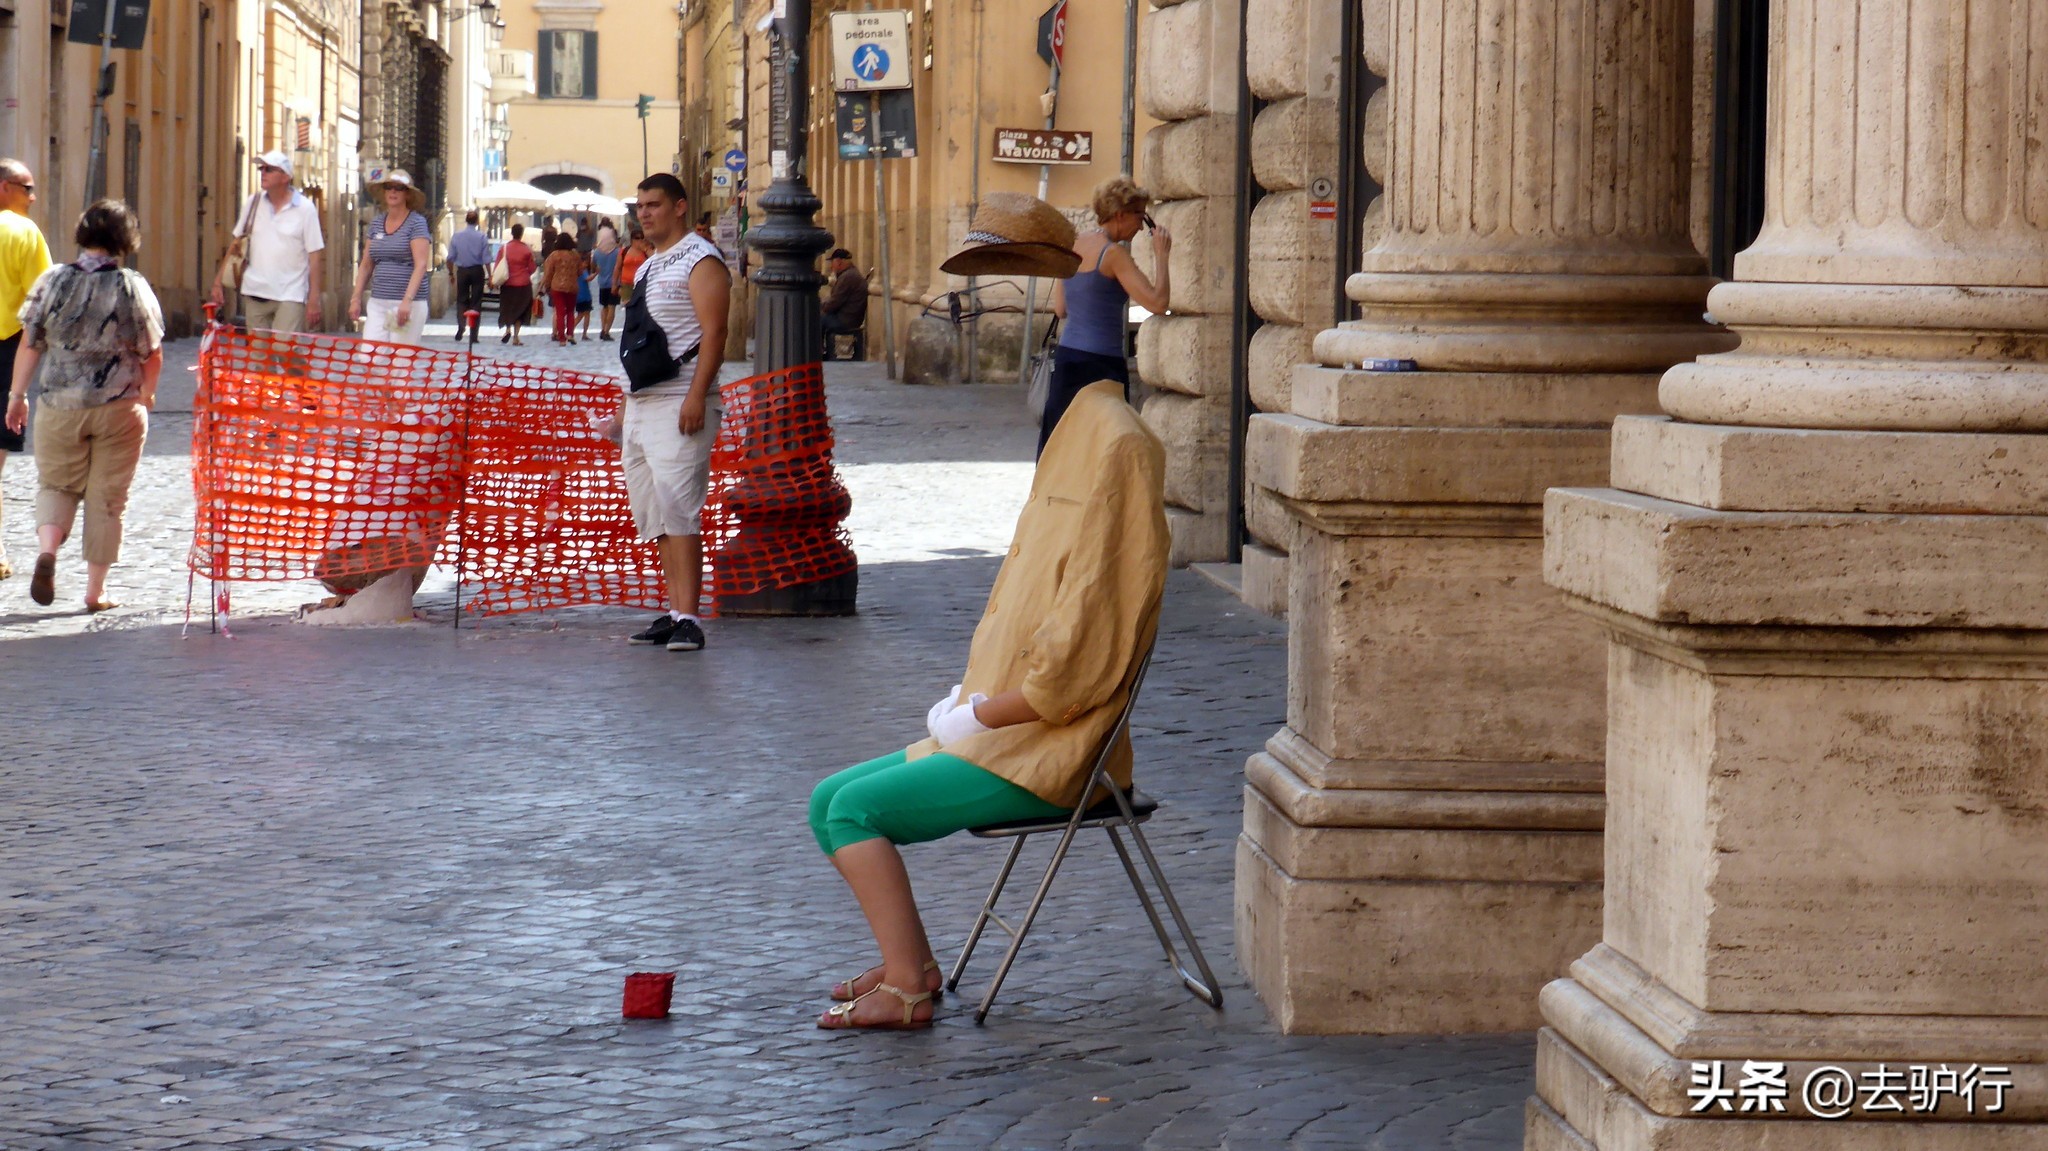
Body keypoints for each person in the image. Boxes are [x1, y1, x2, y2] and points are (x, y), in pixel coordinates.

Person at [807, 381, 1169, 1029]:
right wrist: (971, 703)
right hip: (1009, 730)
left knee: (854, 810)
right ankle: (909, 964)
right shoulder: (1081, 430)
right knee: (826, 799)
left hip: (1049, 751)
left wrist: (980, 714)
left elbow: (1078, 660)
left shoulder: (1117, 444)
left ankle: (907, 990)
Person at [5, 200, 164, 612]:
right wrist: (146, 395)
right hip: (117, 407)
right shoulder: (131, 286)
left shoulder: (52, 281)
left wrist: (17, 396)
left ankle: (48, 553)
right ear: (125, 240)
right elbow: (153, 351)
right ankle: (95, 591)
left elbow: (29, 342)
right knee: (108, 498)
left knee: (56, 485)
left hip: (59, 405)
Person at [604, 173, 728, 652]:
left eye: (654, 204)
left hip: (680, 400)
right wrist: (621, 413)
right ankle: (675, 609)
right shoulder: (651, 265)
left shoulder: (701, 258)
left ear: (679, 207)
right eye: (640, 206)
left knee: (680, 509)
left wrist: (697, 395)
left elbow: (715, 333)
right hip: (641, 406)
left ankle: (691, 618)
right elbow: (636, 343)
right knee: (654, 513)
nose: (645, 213)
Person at [1045, 177, 1171, 456]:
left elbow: (1060, 309)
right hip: (1101, 366)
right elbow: (1158, 303)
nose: (1141, 225)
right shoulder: (1113, 255)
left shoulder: (1073, 245)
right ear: (1120, 214)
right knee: (1103, 453)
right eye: (1139, 215)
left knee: (1064, 449)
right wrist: (1162, 256)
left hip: (1068, 361)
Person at [0, 157, 52, 583]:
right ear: (5, 188)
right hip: (8, 348)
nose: (32, 198)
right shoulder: (23, 231)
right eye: (27, 188)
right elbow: (43, 302)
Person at [210, 150, 325, 334]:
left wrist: (314, 297)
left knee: (285, 349)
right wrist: (218, 282)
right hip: (255, 289)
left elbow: (315, 256)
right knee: (258, 356)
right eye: (261, 169)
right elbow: (236, 244)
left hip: (290, 292)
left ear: (286, 176)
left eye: (269, 169)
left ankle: (295, 364)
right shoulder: (253, 203)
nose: (263, 173)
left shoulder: (305, 209)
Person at [348, 171, 432, 346]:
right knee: (370, 357)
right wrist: (355, 298)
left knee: (399, 361)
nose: (393, 192)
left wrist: (407, 301)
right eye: (389, 187)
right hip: (379, 301)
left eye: (399, 188)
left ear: (407, 194)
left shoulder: (416, 223)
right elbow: (366, 264)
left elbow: (421, 264)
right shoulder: (377, 223)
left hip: (405, 304)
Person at [448, 208, 491, 341]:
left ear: (466, 220)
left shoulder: (456, 236)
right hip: (477, 270)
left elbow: (450, 258)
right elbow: (486, 258)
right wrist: (490, 275)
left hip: (462, 271)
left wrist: (451, 273)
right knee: (476, 302)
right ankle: (474, 334)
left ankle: (461, 325)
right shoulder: (482, 236)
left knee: (461, 299)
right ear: (477, 221)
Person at [819, 247, 867, 360]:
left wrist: (822, 307)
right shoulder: (851, 274)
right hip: (851, 317)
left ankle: (818, 351)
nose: (831, 267)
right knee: (822, 317)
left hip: (846, 320)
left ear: (839, 261)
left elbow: (835, 301)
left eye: (833, 263)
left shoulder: (847, 277)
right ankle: (821, 349)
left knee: (818, 319)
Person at [495, 222, 536, 345]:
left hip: (508, 284)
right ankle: (516, 337)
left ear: (512, 233)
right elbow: (532, 268)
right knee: (520, 310)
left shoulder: (504, 248)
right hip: (523, 284)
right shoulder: (526, 249)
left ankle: (507, 329)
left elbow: (498, 265)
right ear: (521, 234)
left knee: (508, 308)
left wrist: (495, 281)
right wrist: (524, 273)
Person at [542, 234, 583, 345]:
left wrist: (547, 286)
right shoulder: (575, 255)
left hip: (557, 286)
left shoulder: (554, 255)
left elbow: (548, 272)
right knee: (570, 312)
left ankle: (561, 339)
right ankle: (570, 334)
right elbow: (580, 272)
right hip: (572, 287)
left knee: (560, 313)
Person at [591, 226, 621, 341]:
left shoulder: (597, 252)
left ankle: (603, 328)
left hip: (602, 283)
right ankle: (607, 331)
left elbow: (593, 267)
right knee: (612, 307)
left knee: (604, 307)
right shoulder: (618, 252)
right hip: (614, 283)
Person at [616, 232, 651, 304]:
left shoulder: (646, 251)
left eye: (642, 238)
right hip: (627, 284)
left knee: (641, 306)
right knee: (628, 306)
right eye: (637, 238)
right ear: (632, 240)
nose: (640, 240)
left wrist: (645, 249)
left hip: (641, 284)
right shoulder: (624, 251)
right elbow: (617, 267)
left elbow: (653, 260)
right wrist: (614, 284)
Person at [574, 248, 596, 340]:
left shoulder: (576, 271)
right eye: (585, 262)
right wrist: (596, 273)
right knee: (582, 315)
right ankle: (575, 331)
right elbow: (587, 279)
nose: (586, 264)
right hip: (584, 296)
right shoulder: (582, 271)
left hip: (581, 295)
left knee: (583, 314)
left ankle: (582, 333)